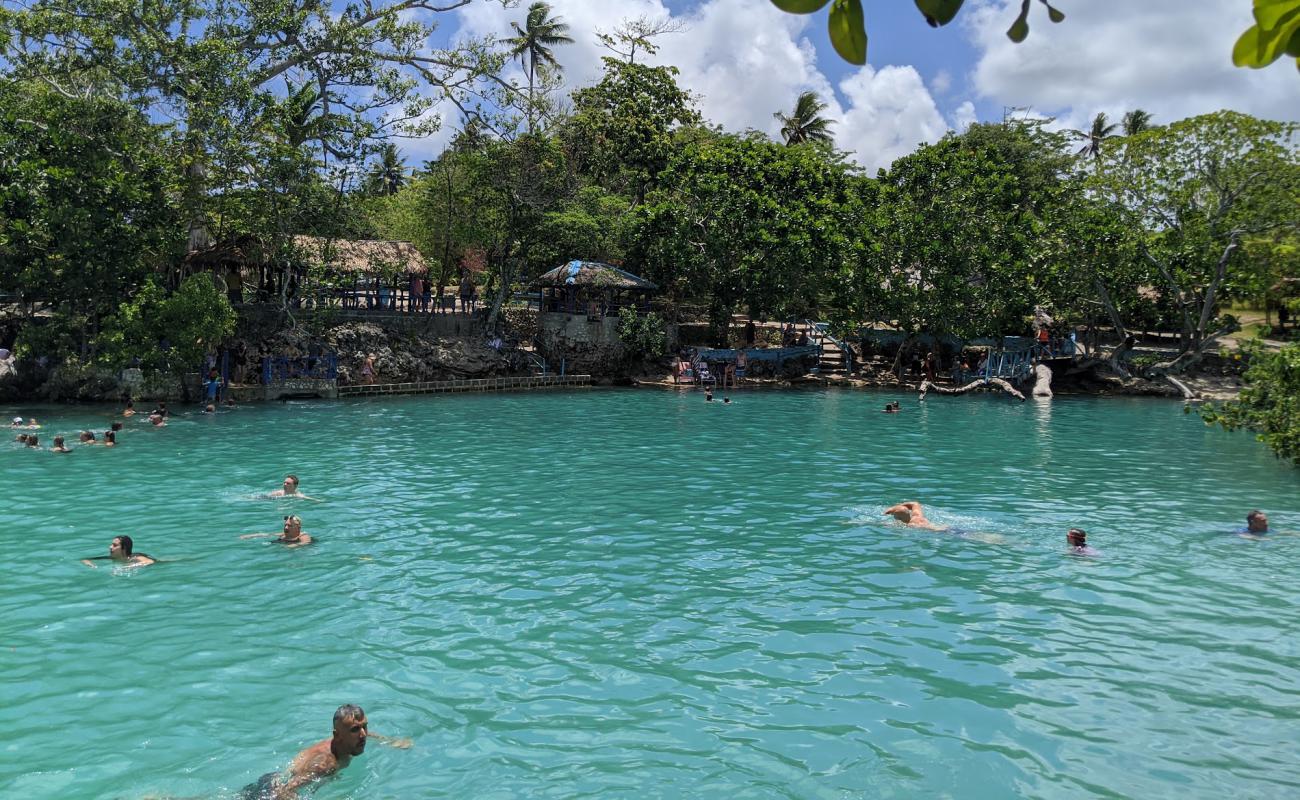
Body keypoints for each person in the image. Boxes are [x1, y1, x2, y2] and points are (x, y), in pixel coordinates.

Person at [241, 705, 410, 800]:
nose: (364, 734)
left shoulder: (348, 740)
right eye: (355, 729)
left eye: (364, 726)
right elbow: (284, 791)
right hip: (269, 791)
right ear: (338, 736)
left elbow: (367, 733)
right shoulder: (326, 763)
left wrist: (390, 741)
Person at [82, 535, 156, 568]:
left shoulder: (134, 557)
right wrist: (92, 565)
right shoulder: (112, 558)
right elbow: (85, 559)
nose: (110, 547)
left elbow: (149, 562)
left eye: (114, 545)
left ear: (124, 548)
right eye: (111, 544)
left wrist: (127, 567)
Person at [240, 515, 313, 547]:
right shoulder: (283, 535)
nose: (286, 528)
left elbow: (304, 543)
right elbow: (267, 534)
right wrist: (250, 536)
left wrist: (291, 546)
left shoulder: (303, 536)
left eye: (289, 526)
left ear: (298, 527)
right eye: (285, 525)